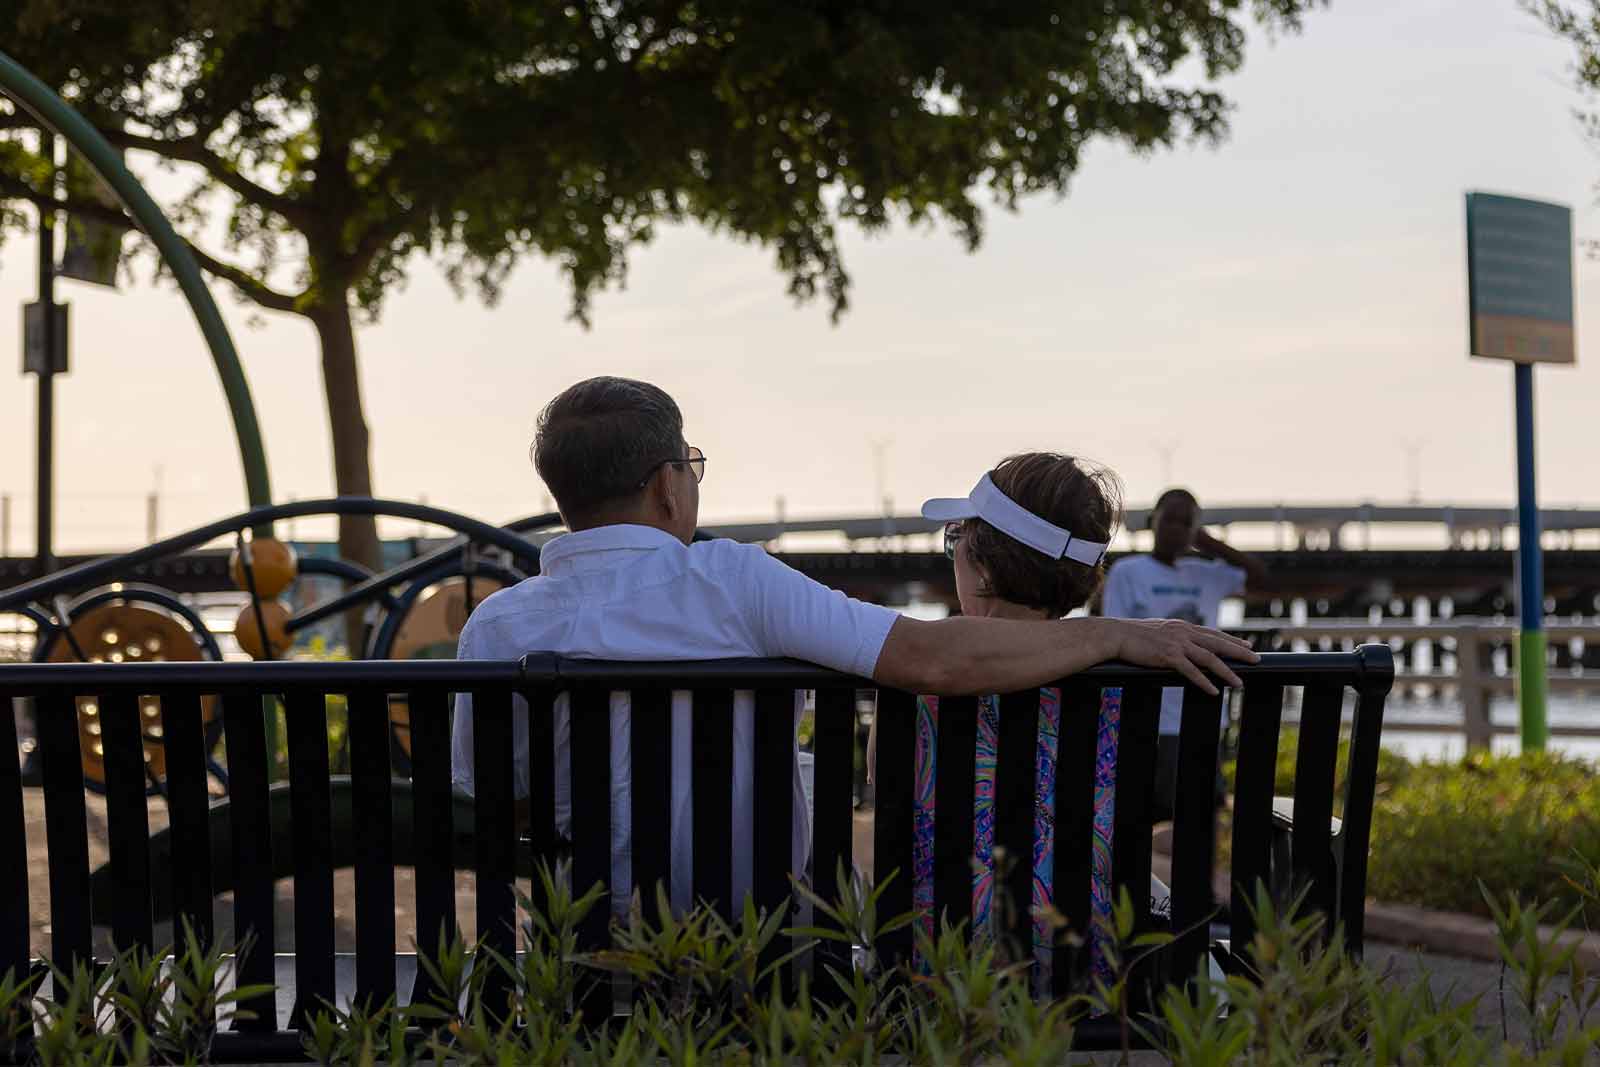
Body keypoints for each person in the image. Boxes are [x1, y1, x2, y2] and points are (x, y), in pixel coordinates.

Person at [450, 378, 1256, 917]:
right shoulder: (735, 583)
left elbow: (494, 801)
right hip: (760, 940)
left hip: (586, 942)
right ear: (668, 485)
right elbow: (931, 658)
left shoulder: (496, 628)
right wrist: (1112, 632)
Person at [870, 453, 1164, 985]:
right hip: (1085, 971)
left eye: (957, 537)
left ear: (983, 565)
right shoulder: (1125, 690)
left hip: (934, 969)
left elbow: (884, 795)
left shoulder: (915, 685)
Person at [1100, 488, 1267, 820]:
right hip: (1151, 713)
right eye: (1169, 519)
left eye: (1185, 522)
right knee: (1151, 812)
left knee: (1202, 812)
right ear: (1153, 521)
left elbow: (1261, 578)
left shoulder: (1207, 573)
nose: (1175, 528)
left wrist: (1205, 542)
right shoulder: (1127, 572)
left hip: (1202, 706)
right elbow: (1111, 634)